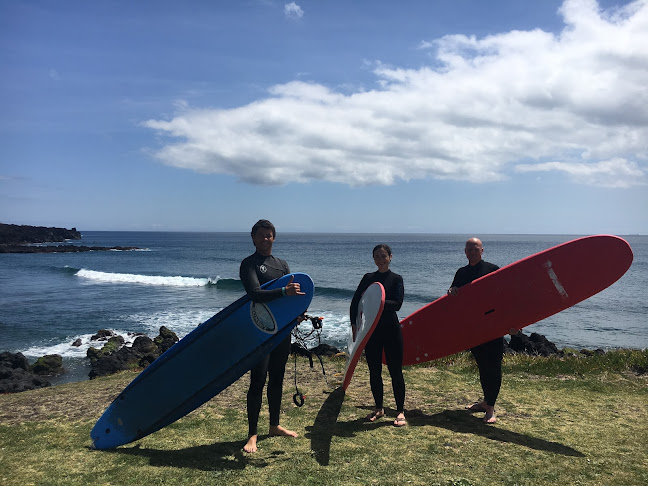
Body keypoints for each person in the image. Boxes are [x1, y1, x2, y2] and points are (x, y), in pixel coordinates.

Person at [239, 219, 304, 453]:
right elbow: (255, 294)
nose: (266, 239)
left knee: (277, 379)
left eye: (270, 235)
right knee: (258, 381)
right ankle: (252, 434)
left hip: (282, 331)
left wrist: (298, 313)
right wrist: (284, 292)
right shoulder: (249, 264)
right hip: (259, 332)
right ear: (254, 238)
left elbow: (291, 298)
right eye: (262, 235)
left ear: (274, 237)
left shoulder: (282, 264)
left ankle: (274, 425)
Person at [447, 237, 515, 424]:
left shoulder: (493, 270)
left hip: (492, 327)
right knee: (482, 367)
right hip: (473, 328)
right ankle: (486, 401)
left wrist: (511, 323)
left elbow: (504, 298)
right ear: (465, 252)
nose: (472, 252)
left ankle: (491, 409)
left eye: (475, 249)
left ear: (482, 251)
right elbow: (455, 295)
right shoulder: (461, 273)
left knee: (493, 367)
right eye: (469, 249)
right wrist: (451, 291)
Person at [350, 244, 406, 427]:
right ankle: (379, 407)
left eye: (384, 256)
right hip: (370, 330)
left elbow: (397, 304)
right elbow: (356, 301)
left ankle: (400, 411)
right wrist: (354, 324)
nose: (380, 259)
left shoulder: (396, 279)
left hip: (391, 330)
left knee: (395, 371)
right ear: (373, 259)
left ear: (391, 257)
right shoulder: (368, 278)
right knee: (374, 371)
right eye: (377, 256)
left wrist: (376, 303)